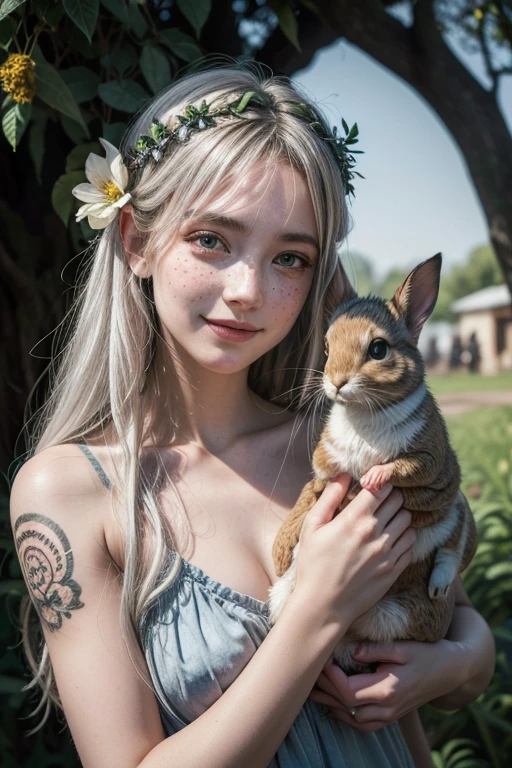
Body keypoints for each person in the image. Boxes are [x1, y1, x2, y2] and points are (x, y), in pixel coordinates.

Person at [9, 61, 494, 768]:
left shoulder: (332, 447)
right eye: (212, 240)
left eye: (290, 259)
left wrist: (455, 666)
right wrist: (313, 618)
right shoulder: (70, 495)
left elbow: (453, 622)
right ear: (137, 242)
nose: (248, 291)